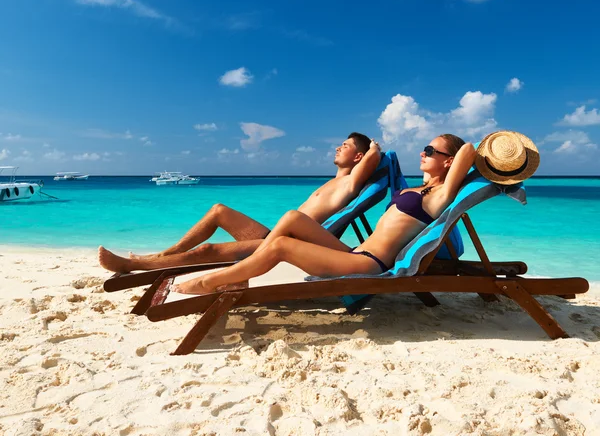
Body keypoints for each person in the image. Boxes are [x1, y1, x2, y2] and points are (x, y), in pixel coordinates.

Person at [171, 134, 476, 294]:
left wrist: (492, 153)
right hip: (355, 252)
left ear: (449, 162)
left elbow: (469, 150)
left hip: (371, 263)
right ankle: (243, 273)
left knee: (280, 246)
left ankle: (215, 280)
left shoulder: (441, 197)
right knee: (292, 217)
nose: (423, 153)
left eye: (430, 149)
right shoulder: (416, 190)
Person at [99, 132, 381, 273]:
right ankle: (164, 254)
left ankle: (135, 266)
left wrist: (374, 148)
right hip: (274, 234)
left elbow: (374, 157)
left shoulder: (350, 183)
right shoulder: (332, 181)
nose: (337, 147)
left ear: (358, 157)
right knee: (219, 210)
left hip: (292, 242)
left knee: (208, 250)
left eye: (345, 146)